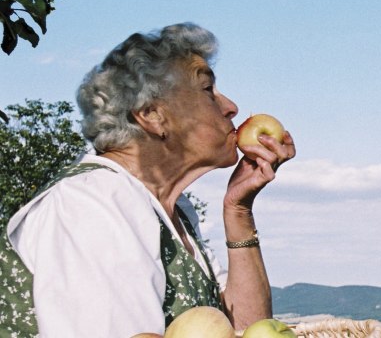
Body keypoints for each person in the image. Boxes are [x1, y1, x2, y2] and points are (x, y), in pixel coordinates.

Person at [0, 23, 295, 336]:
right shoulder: (92, 204)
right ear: (152, 115)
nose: (231, 108)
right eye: (208, 89)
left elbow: (247, 329)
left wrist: (238, 210)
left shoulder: (168, 209)